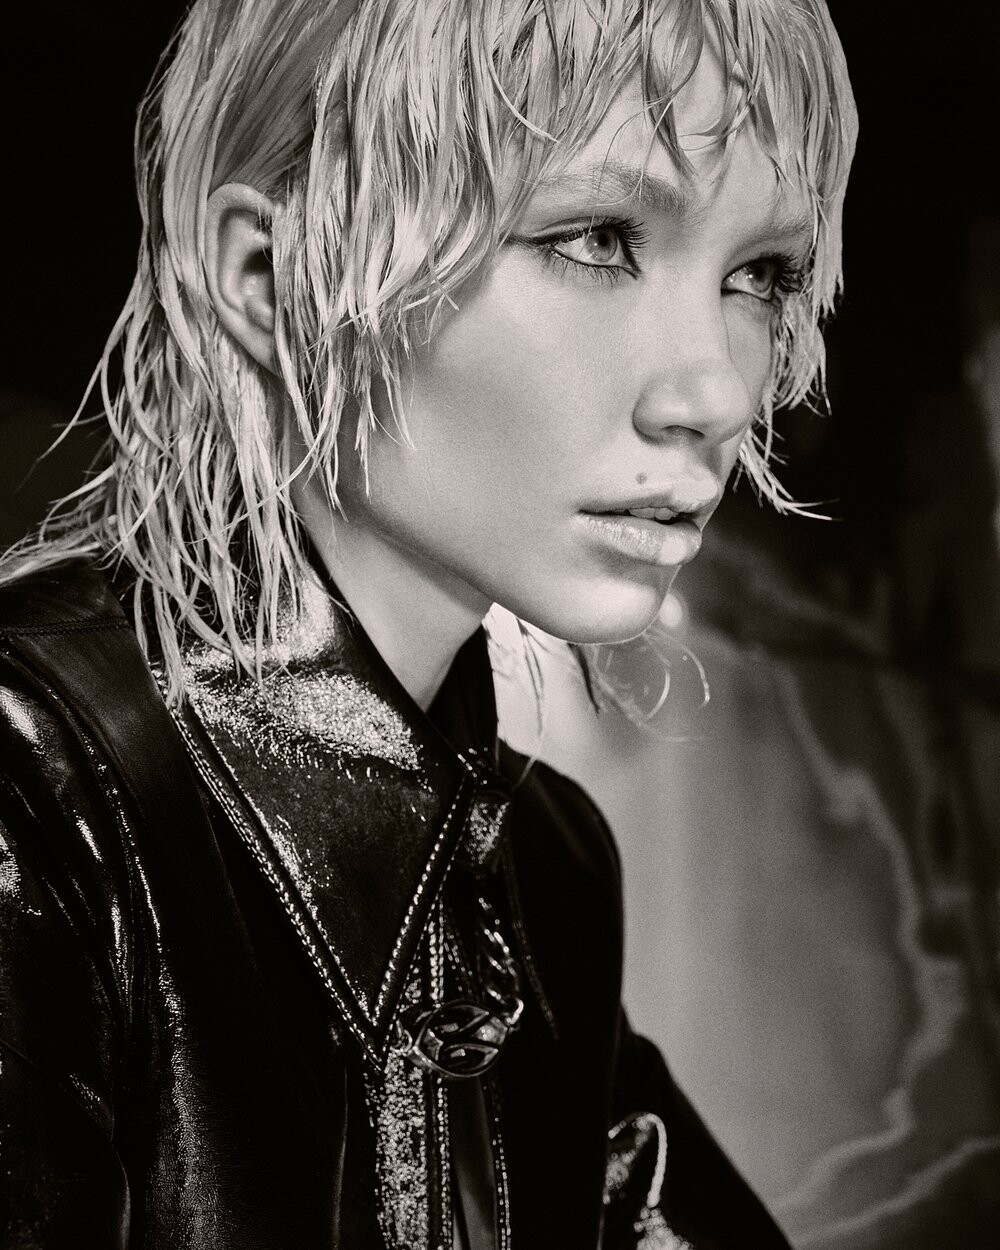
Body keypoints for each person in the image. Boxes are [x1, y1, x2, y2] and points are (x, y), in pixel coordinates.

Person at [0, 1, 856, 1246]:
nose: (715, 392)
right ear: (266, 277)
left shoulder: (546, 871)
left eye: (759, 274)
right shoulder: (35, 792)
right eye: (596, 239)